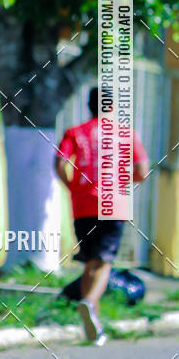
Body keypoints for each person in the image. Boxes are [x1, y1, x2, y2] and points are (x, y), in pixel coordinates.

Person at [55, 86, 149, 344]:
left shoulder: (75, 132)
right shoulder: (126, 133)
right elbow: (142, 171)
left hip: (83, 204)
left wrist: (73, 187)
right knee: (104, 261)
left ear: (89, 105)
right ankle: (89, 301)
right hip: (113, 203)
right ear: (112, 106)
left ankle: (92, 324)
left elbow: (60, 163)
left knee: (90, 262)